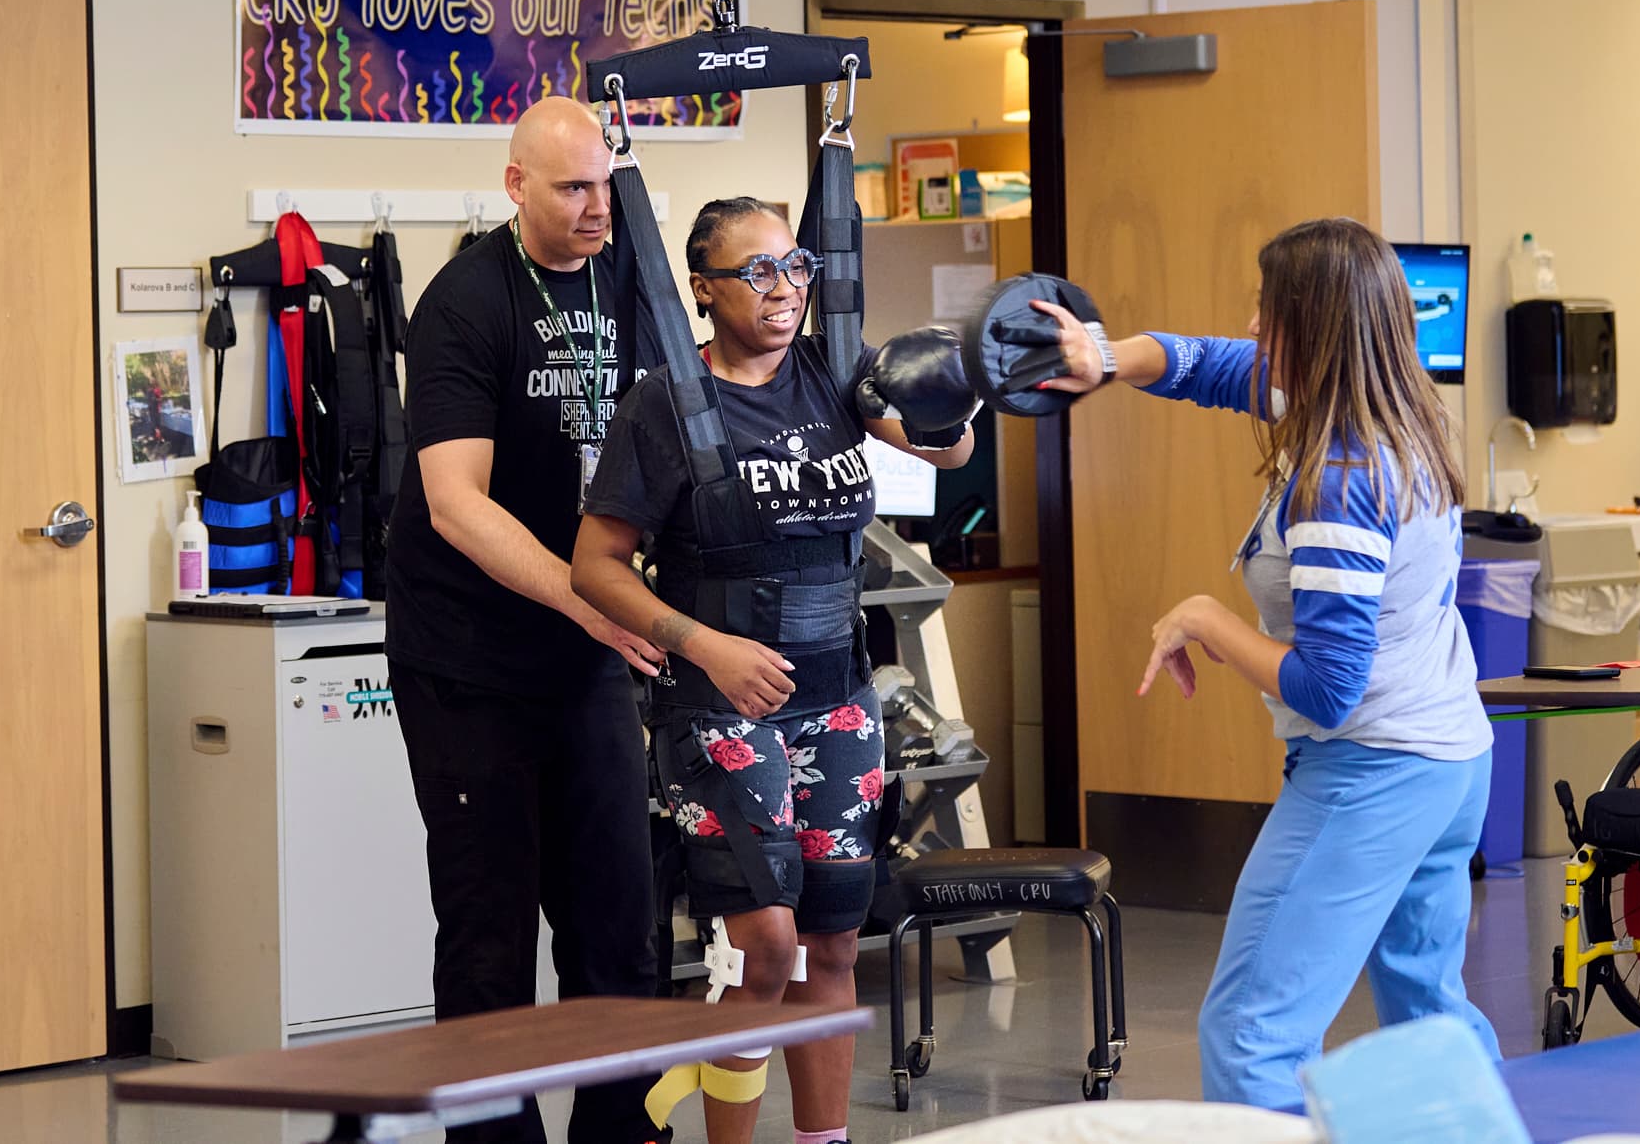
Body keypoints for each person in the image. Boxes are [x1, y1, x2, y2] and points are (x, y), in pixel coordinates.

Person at [1040, 217, 1495, 1111]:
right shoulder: (1395, 412)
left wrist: (1208, 617)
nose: (1251, 324)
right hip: (1449, 760)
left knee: (1254, 1031)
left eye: (1266, 310)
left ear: (1312, 328)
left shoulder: (1343, 476)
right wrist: (1100, 354)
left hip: (1373, 770)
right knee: (1429, 1024)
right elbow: (1207, 363)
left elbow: (1330, 688)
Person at [571, 197, 976, 1144]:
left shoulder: (836, 374)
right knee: (770, 943)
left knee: (835, 938)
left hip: (839, 698)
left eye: (794, 265)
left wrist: (951, 396)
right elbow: (595, 563)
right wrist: (700, 642)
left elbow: (944, 447)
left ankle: (821, 1139)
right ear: (704, 290)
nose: (784, 287)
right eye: (754, 271)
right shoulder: (663, 403)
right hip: (717, 704)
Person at [381, 95, 665, 1144]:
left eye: (605, 183)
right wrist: (589, 598)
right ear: (515, 186)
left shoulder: (632, 277)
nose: (597, 208)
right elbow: (456, 500)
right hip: (468, 658)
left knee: (617, 932)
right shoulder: (463, 300)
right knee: (491, 939)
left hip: (586, 647)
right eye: (572, 188)